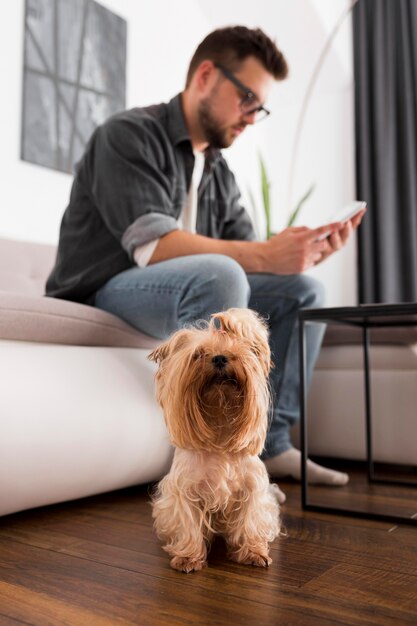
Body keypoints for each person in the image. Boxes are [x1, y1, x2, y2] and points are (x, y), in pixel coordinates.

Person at [46, 26, 365, 499]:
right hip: (103, 288)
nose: (253, 118)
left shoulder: (218, 171)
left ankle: (271, 443)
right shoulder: (128, 135)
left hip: (173, 288)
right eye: (247, 100)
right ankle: (212, 458)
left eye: (261, 107)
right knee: (220, 274)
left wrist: (301, 253)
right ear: (206, 75)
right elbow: (149, 246)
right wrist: (262, 254)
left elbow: (253, 263)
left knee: (304, 291)